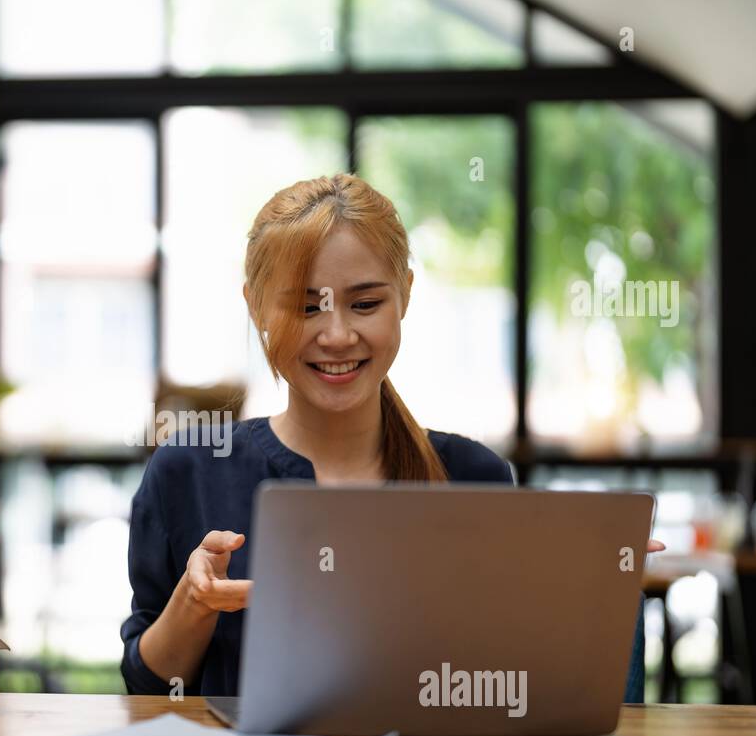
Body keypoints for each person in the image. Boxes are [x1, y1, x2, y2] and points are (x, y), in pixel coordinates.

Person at [120, 173, 657, 703]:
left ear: (405, 295)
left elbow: (504, 686)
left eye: (365, 304)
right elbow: (147, 689)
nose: (336, 335)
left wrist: (589, 592)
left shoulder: (475, 476)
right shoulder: (187, 471)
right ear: (256, 306)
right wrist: (195, 601)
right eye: (307, 307)